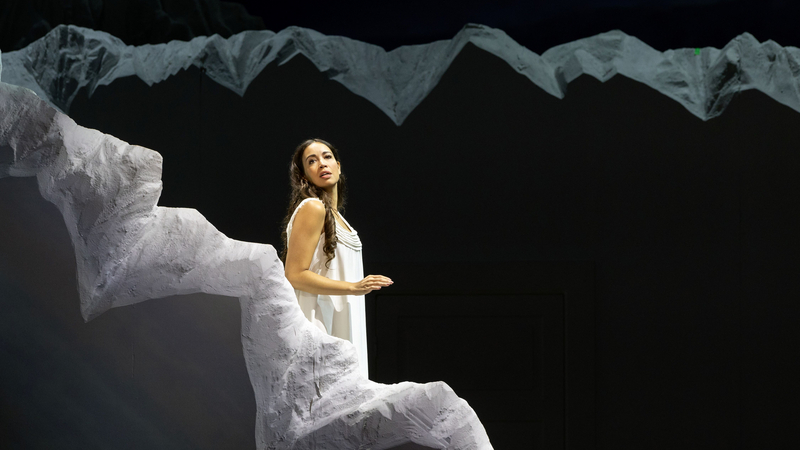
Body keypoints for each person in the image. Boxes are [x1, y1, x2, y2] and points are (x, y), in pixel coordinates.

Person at [281, 138, 392, 378]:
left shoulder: (339, 219)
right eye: (312, 161)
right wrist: (353, 286)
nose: (322, 163)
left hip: (345, 318)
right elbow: (294, 275)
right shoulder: (313, 207)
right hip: (319, 323)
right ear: (304, 175)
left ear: (339, 166)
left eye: (327, 156)